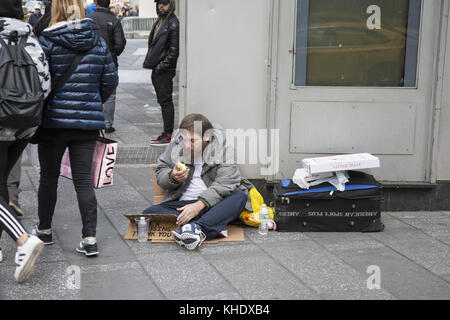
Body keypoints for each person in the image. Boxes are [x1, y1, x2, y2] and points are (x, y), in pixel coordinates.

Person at [31, 0, 118, 257]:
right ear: (80, 9)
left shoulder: (45, 42)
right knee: (83, 181)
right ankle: (89, 238)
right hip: (86, 125)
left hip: (52, 124)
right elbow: (110, 80)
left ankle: (44, 230)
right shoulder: (97, 40)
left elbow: (38, 83)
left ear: (55, 10)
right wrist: (92, 102)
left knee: (48, 177)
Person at [142, 114, 254, 250]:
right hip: (181, 205)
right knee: (148, 214)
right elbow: (161, 169)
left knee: (239, 196)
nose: (188, 145)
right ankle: (204, 226)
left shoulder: (224, 147)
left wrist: (198, 206)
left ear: (207, 136)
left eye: (193, 141)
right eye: (185, 140)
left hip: (212, 203)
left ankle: (195, 226)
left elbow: (226, 182)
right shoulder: (177, 143)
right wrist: (172, 177)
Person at [0, 0, 50, 283]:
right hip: (25, 127)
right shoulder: (32, 39)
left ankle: (22, 239)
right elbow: (45, 84)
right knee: (1, 187)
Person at [143, 0, 179, 147]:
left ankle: (168, 134)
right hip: (159, 70)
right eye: (159, 3)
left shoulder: (173, 23)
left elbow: (174, 51)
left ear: (171, 5)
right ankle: (166, 132)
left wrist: (160, 67)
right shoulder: (162, 20)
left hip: (164, 70)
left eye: (164, 3)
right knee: (163, 102)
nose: (161, 6)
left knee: (166, 102)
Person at [87, 0, 126, 133]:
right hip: (109, 63)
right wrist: (112, 53)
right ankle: (107, 124)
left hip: (90, 62)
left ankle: (92, 122)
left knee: (92, 91)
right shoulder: (114, 20)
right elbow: (120, 43)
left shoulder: (88, 19)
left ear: (95, 2)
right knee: (110, 94)